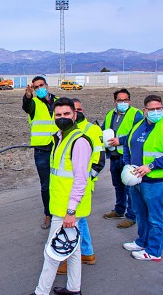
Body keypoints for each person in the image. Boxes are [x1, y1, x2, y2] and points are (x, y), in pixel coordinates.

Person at [31, 97, 93, 295]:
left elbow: (81, 179)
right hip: (60, 205)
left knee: (52, 252)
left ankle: (41, 292)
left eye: (66, 114)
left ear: (75, 115)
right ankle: (74, 289)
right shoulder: (59, 138)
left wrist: (71, 211)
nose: (62, 117)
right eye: (58, 115)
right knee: (73, 250)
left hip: (67, 209)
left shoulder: (79, 141)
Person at [122, 95, 163, 261]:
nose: (156, 112)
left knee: (157, 218)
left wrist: (150, 166)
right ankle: (142, 241)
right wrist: (127, 165)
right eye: (152, 109)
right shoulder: (138, 126)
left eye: (159, 108)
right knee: (140, 214)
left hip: (159, 181)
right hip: (137, 180)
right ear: (145, 111)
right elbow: (128, 146)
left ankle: (154, 251)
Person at [57, 98, 105, 274]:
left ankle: (69, 259)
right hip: (68, 187)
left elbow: (99, 161)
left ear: (77, 112)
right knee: (80, 222)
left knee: (73, 223)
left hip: (80, 186)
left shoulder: (91, 130)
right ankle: (87, 252)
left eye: (74, 110)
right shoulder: (65, 132)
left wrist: (87, 179)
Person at [102, 88, 143, 228]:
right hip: (114, 156)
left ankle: (131, 216)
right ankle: (119, 210)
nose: (123, 102)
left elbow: (138, 134)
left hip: (127, 156)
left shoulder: (136, 114)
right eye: (120, 100)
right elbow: (104, 129)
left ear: (130, 101)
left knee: (129, 186)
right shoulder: (110, 115)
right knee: (118, 185)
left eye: (125, 100)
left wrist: (121, 140)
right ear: (115, 102)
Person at [23, 76, 59, 229]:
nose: (39, 89)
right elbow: (26, 106)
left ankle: (61, 211)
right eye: (36, 87)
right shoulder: (34, 104)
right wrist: (28, 96)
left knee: (60, 182)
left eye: (41, 85)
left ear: (47, 85)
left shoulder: (59, 102)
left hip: (59, 148)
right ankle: (48, 214)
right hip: (42, 151)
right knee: (46, 185)